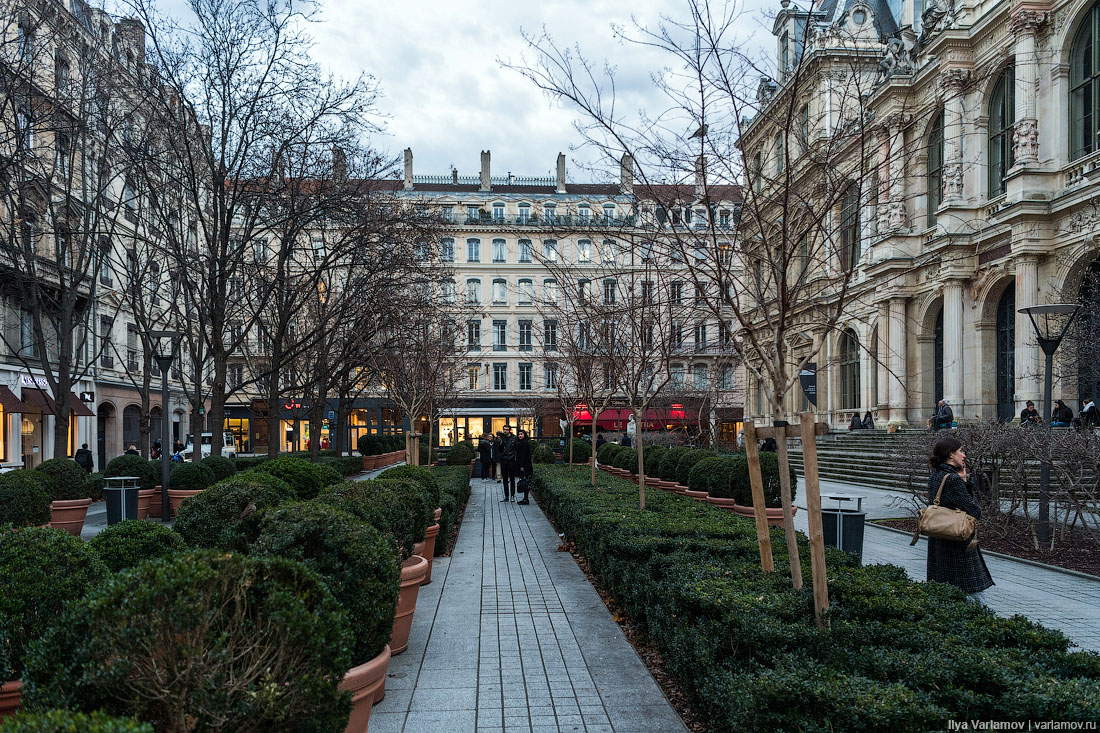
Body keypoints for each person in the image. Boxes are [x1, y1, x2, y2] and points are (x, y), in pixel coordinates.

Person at [926, 435, 994, 602]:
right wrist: (964, 481)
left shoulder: (936, 475)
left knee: (944, 593)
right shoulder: (953, 480)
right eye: (960, 451)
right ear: (951, 454)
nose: (963, 455)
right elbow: (974, 511)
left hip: (939, 538)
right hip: (956, 541)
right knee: (971, 595)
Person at [498, 425, 518, 502]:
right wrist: (500, 442)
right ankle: (506, 496)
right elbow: (499, 449)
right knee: (505, 479)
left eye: (506, 429)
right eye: (504, 429)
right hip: (503, 460)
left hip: (511, 460)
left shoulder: (514, 438)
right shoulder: (502, 438)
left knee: (512, 479)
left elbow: (516, 449)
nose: (505, 431)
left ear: (510, 430)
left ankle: (512, 495)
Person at [515, 429, 533, 504]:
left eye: (521, 434)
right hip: (524, 464)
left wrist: (522, 466)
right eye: (519, 434)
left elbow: (523, 456)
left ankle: (526, 499)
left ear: (524, 435)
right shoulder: (521, 443)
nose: (520, 436)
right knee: (524, 481)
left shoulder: (524, 444)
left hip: (525, 465)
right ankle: (525, 498)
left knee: (525, 481)